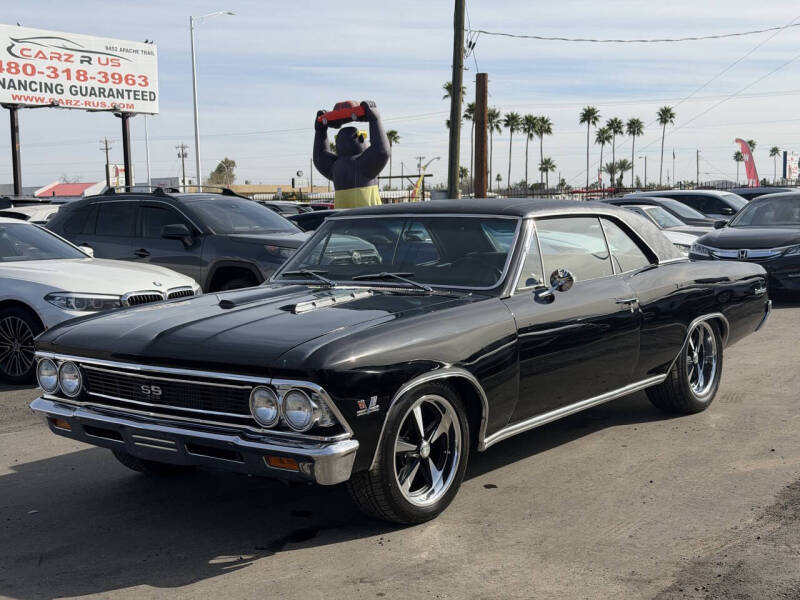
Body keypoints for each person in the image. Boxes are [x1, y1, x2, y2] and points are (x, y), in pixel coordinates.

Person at [313, 101, 390, 209]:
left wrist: (320, 131)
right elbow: (382, 151)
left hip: (342, 217)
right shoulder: (364, 165)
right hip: (369, 217)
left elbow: (319, 155)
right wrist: (375, 120)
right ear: (361, 139)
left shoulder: (335, 167)